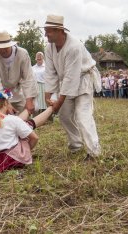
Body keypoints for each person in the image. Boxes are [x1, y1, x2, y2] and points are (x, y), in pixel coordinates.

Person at [43, 14, 101, 160]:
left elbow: (71, 77)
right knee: (64, 115)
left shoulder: (74, 46)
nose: (45, 34)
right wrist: (47, 95)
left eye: (48, 31)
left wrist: (59, 102)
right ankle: (76, 144)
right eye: (45, 30)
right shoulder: (48, 48)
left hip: (83, 80)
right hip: (68, 82)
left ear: (59, 31)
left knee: (83, 115)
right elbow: (50, 72)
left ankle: (94, 151)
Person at [0, 89, 54, 175]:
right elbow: (35, 138)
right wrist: (27, 150)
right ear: (6, 103)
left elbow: (5, 121)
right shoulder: (13, 120)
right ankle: (51, 108)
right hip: (8, 160)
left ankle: (30, 111)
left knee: (18, 125)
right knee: (26, 126)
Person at [0, 30, 38, 114]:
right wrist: (5, 102)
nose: (2, 50)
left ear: (10, 45)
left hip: (16, 90)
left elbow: (28, 77)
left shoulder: (23, 54)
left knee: (23, 114)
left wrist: (29, 99)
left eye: (5, 47)